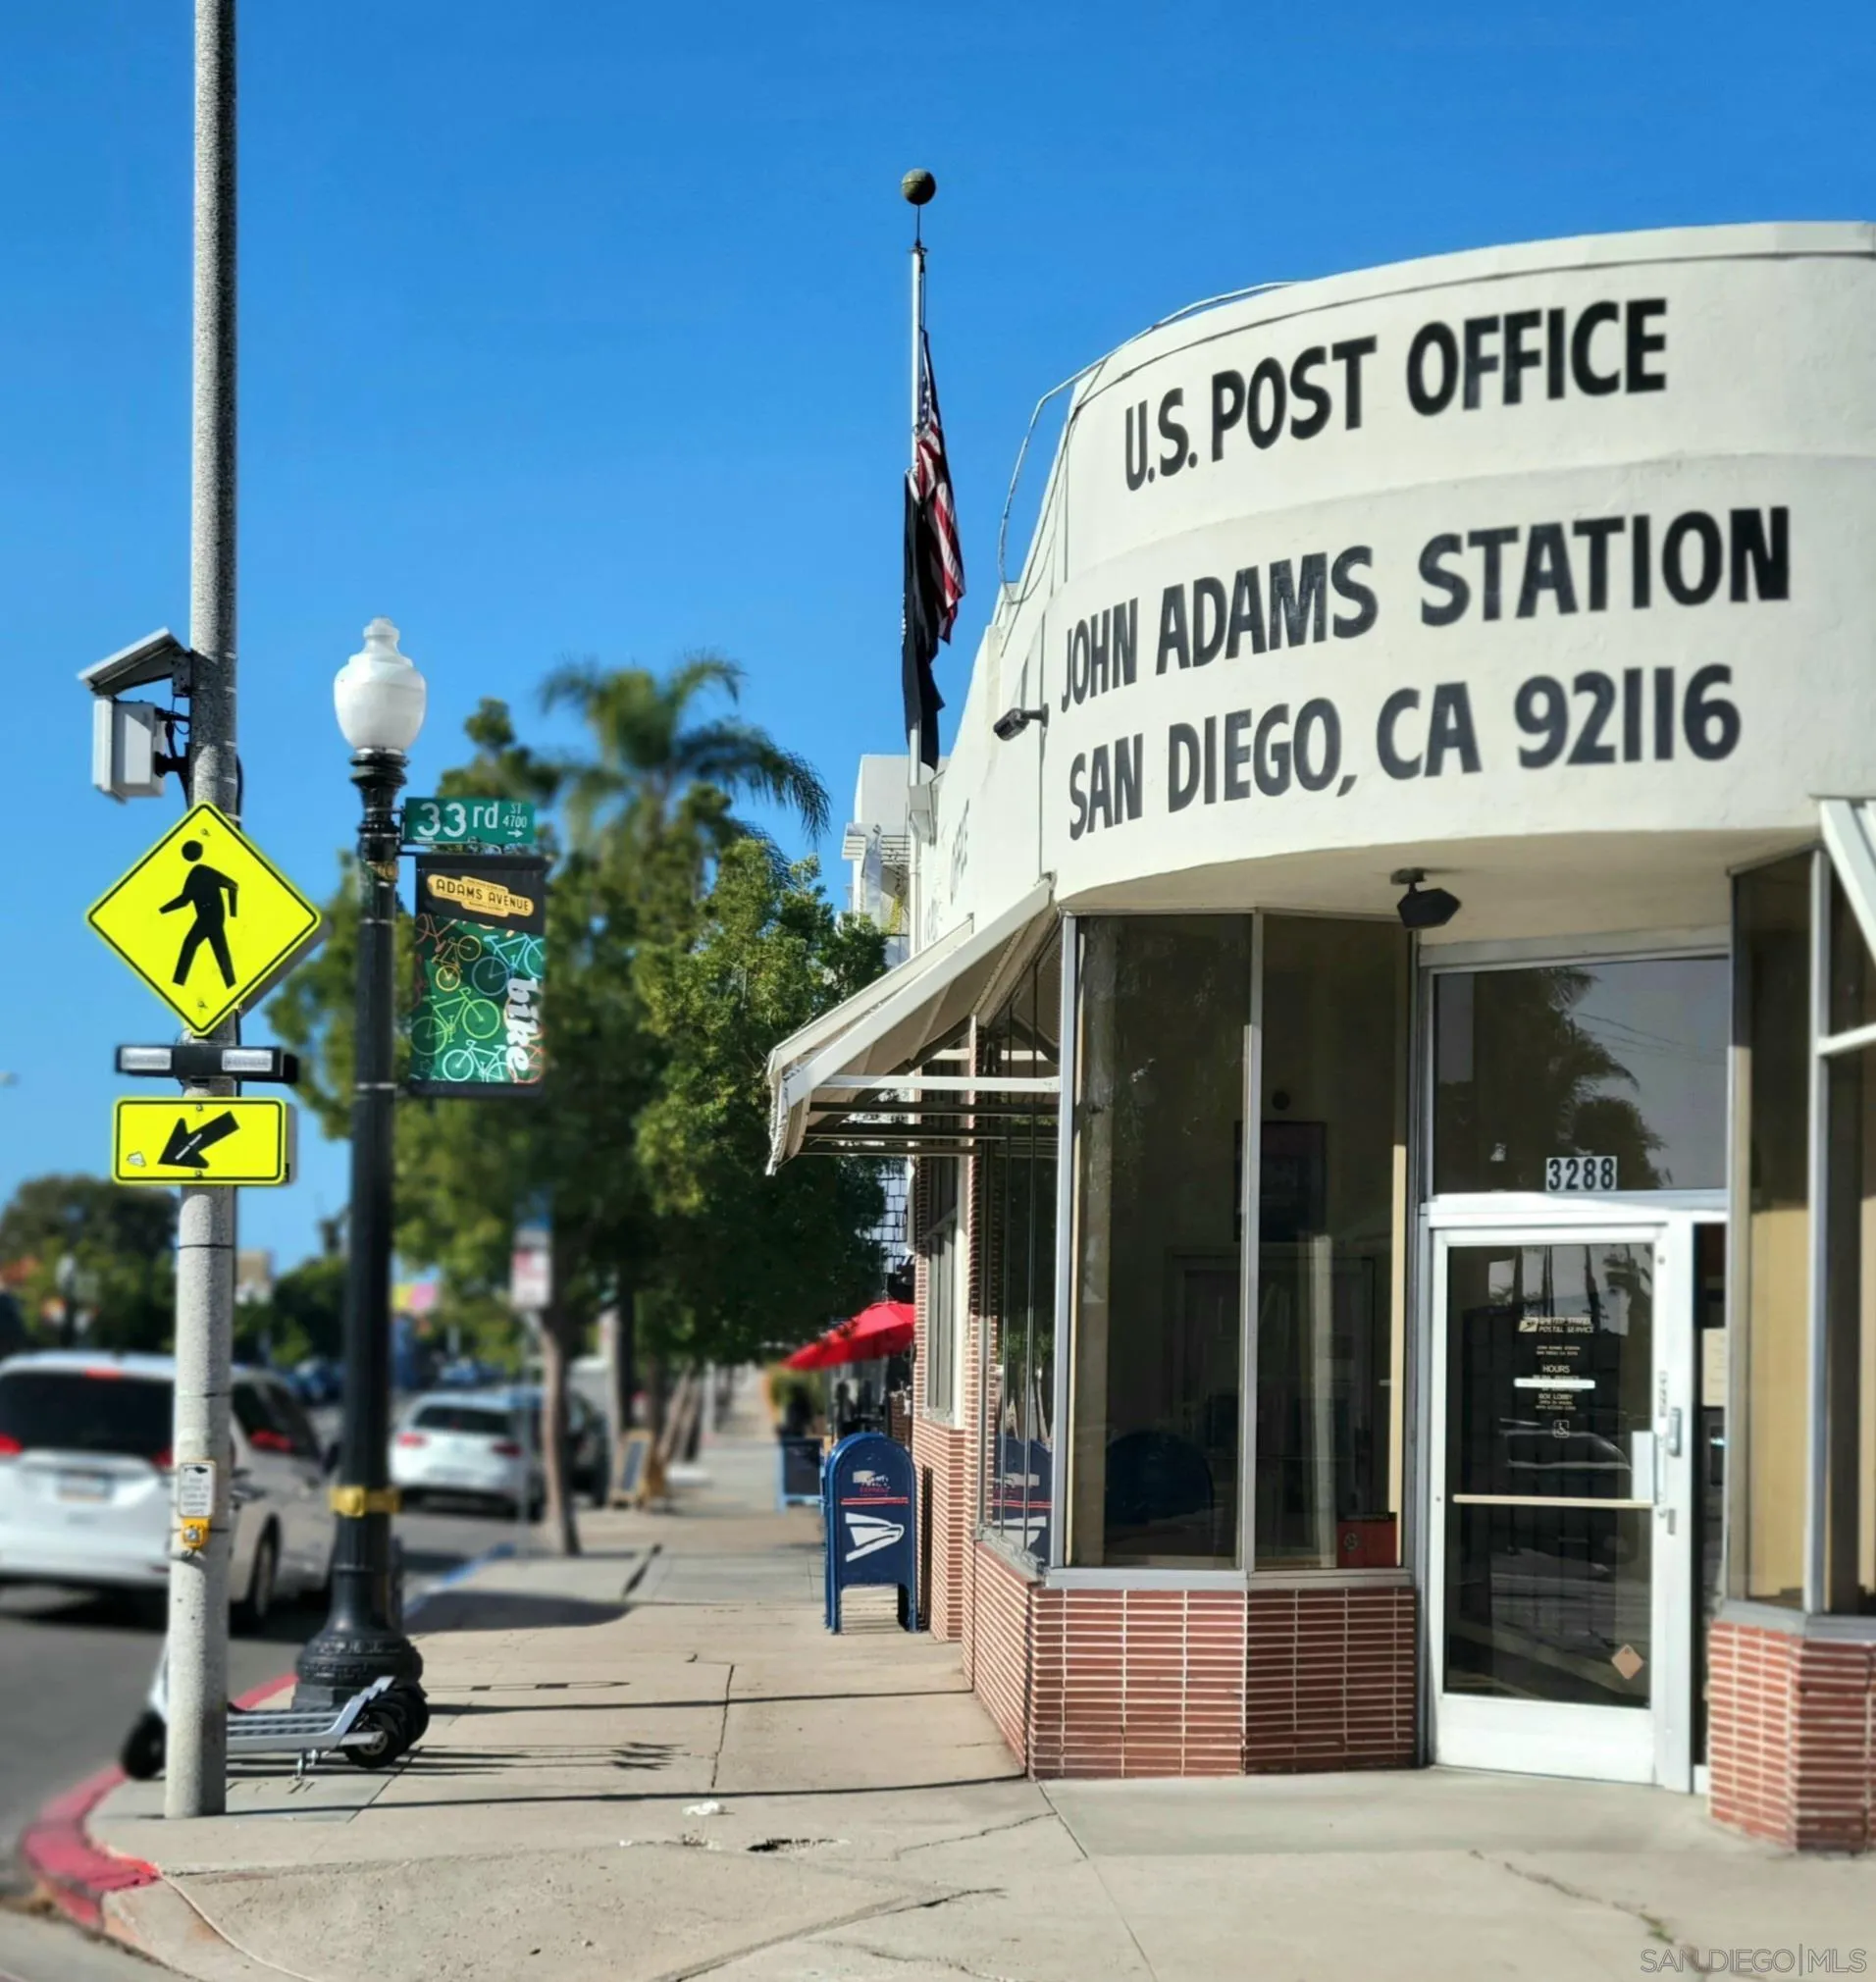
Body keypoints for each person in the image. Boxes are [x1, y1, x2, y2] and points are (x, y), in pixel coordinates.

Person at [160, 839, 238, 988]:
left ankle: (230, 985)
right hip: (205, 918)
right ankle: (230, 985)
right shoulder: (196, 874)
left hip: (212, 918)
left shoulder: (201, 872)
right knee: (209, 949)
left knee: (211, 949)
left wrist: (233, 913)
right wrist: (162, 910)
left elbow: (233, 886)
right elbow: (185, 900)